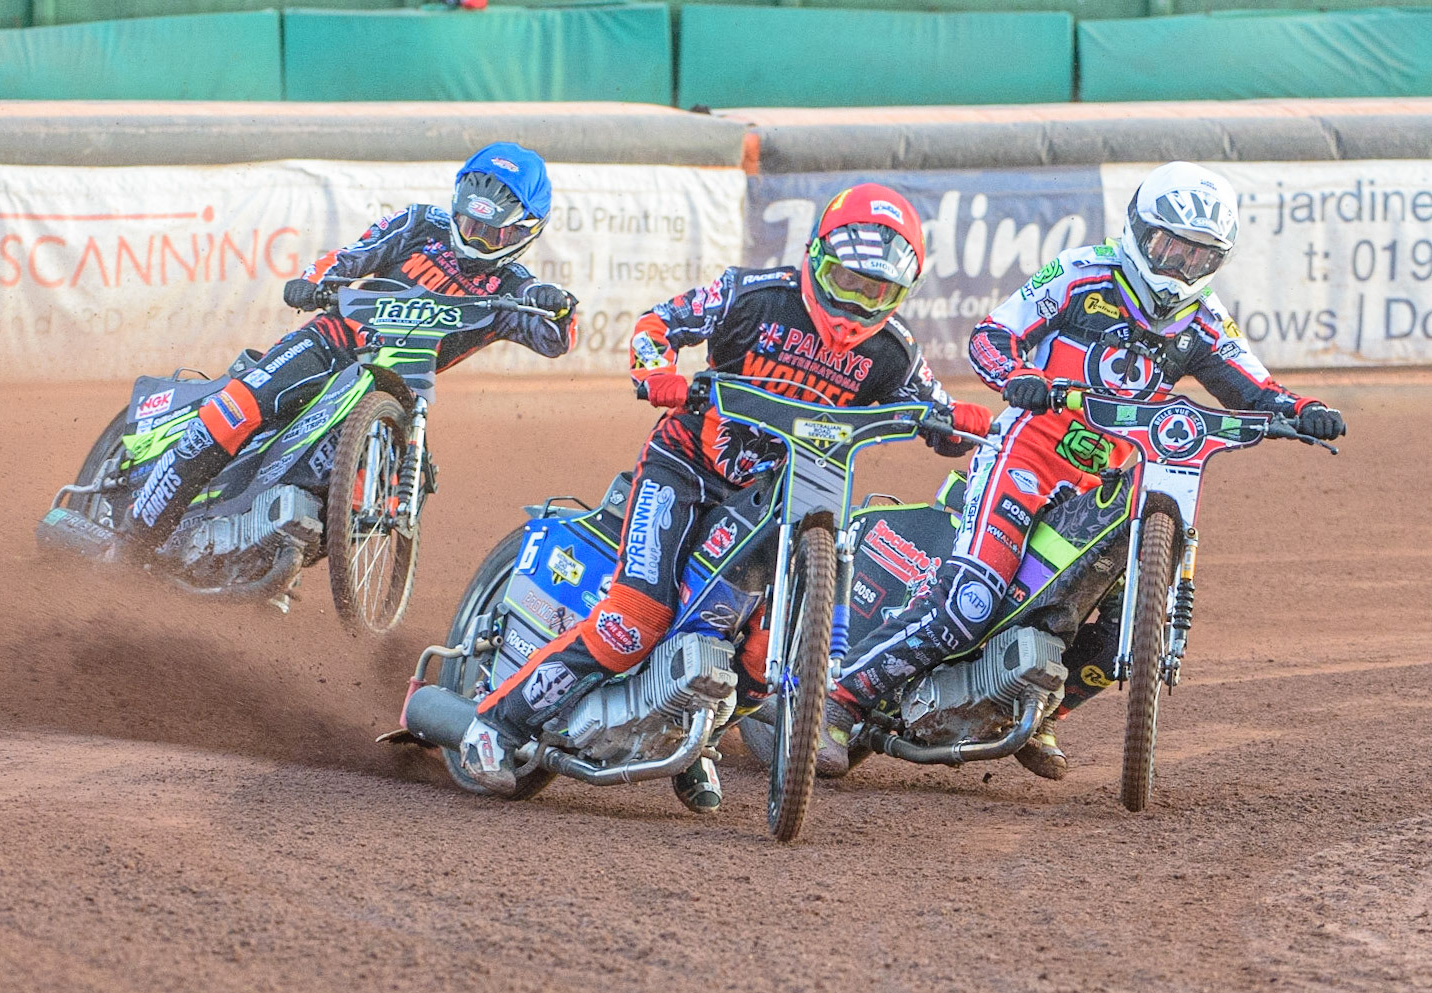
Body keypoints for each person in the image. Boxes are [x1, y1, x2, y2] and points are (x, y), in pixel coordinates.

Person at [456, 183, 994, 811]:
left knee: (761, 656)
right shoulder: (753, 295)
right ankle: (495, 726)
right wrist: (657, 372)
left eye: (876, 292)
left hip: (786, 497)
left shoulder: (893, 351)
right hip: (686, 467)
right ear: (816, 258)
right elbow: (657, 325)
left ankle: (691, 736)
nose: (856, 303)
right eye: (846, 281)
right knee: (635, 620)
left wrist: (968, 423)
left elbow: (939, 416)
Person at [816, 161, 1348, 780]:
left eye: (1199, 256)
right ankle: (837, 700)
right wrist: (1019, 377)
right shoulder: (1081, 273)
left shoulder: (1203, 320)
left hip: (1107, 486)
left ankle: (1037, 710)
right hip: (1025, 457)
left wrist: (1304, 411)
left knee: (1126, 622)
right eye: (1169, 246)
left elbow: (1256, 387)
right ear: (1139, 230)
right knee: (972, 599)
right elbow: (991, 336)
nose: (1180, 266)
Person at [113, 142, 579, 560]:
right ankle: (134, 539)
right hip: (332, 342)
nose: (474, 239)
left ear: (524, 233)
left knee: (379, 489)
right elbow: (351, 256)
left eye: (490, 234)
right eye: (468, 224)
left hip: (396, 390)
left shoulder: (515, 289)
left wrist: (558, 307)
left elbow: (556, 339)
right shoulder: (421, 223)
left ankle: (273, 556)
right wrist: (312, 282)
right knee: (236, 409)